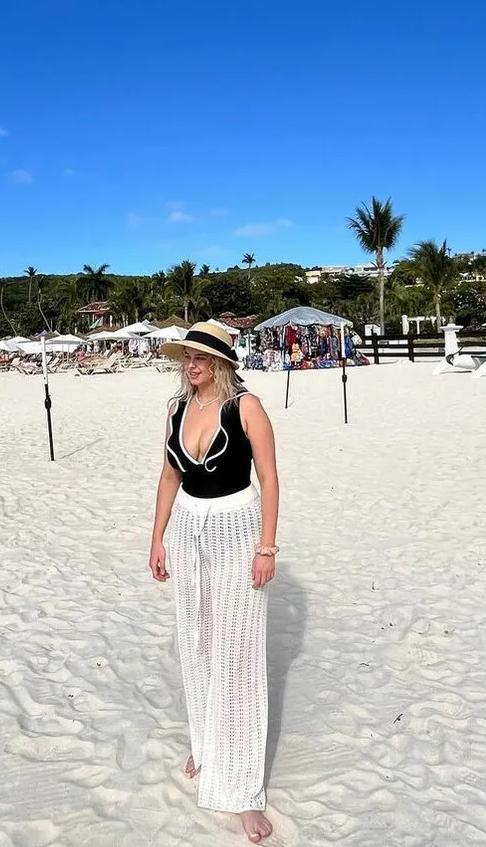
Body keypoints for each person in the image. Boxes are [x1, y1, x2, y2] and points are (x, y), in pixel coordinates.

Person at [148, 322, 280, 843]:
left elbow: (269, 477)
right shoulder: (176, 409)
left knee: (238, 651)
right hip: (187, 528)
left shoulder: (247, 407)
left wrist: (266, 547)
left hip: (237, 527)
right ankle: (208, 748)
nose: (192, 365)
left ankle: (243, 790)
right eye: (187, 357)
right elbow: (169, 475)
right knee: (197, 641)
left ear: (221, 362)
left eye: (201, 357)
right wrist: (157, 539)